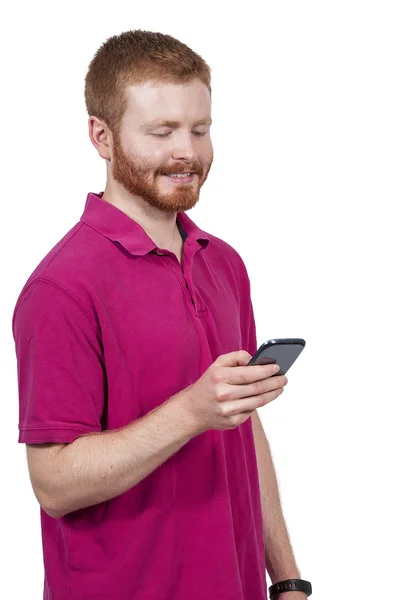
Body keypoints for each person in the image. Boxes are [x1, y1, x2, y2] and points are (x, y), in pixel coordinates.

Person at [12, 30, 306, 600]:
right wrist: (193, 411)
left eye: (200, 129)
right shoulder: (60, 288)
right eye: (162, 132)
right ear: (101, 136)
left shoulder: (223, 263)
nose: (188, 153)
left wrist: (287, 577)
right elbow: (53, 485)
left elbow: (243, 423)